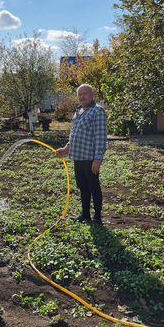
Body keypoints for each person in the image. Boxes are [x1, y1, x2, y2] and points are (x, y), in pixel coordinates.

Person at [56, 84, 107, 225]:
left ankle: (97, 217)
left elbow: (100, 137)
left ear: (92, 96)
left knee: (93, 187)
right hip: (78, 157)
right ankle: (85, 215)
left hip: (90, 159)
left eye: (85, 93)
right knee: (83, 187)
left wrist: (98, 159)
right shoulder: (78, 112)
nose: (82, 96)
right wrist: (66, 149)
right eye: (80, 94)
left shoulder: (97, 111)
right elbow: (74, 135)